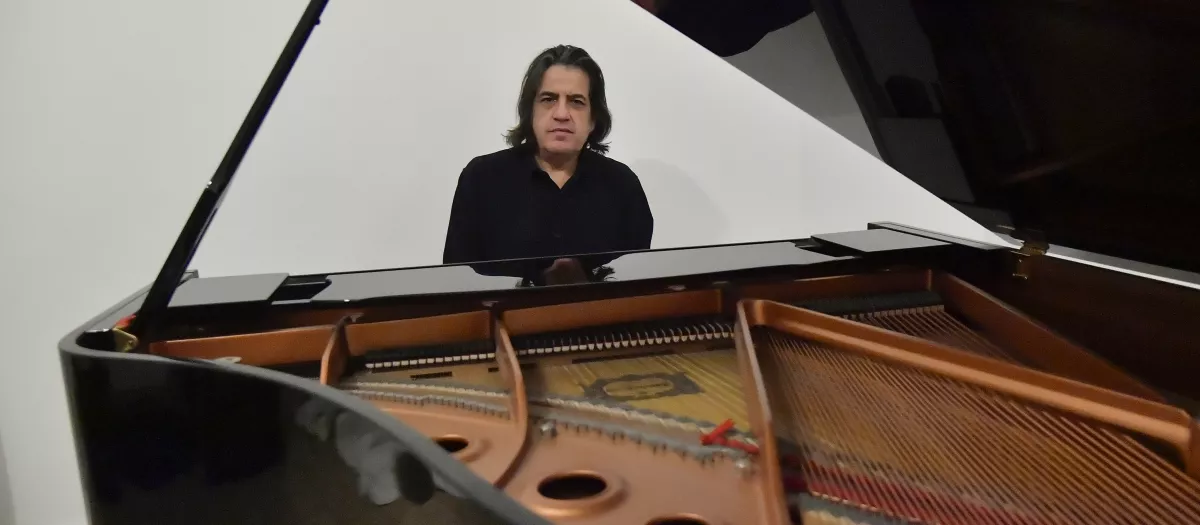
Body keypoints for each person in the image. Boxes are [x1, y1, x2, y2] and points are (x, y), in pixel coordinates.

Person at [442, 45, 654, 276]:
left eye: (576, 101)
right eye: (548, 99)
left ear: (593, 118)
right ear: (530, 111)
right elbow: (457, 282)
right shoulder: (481, 179)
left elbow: (637, 285)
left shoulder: (623, 186)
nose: (561, 114)